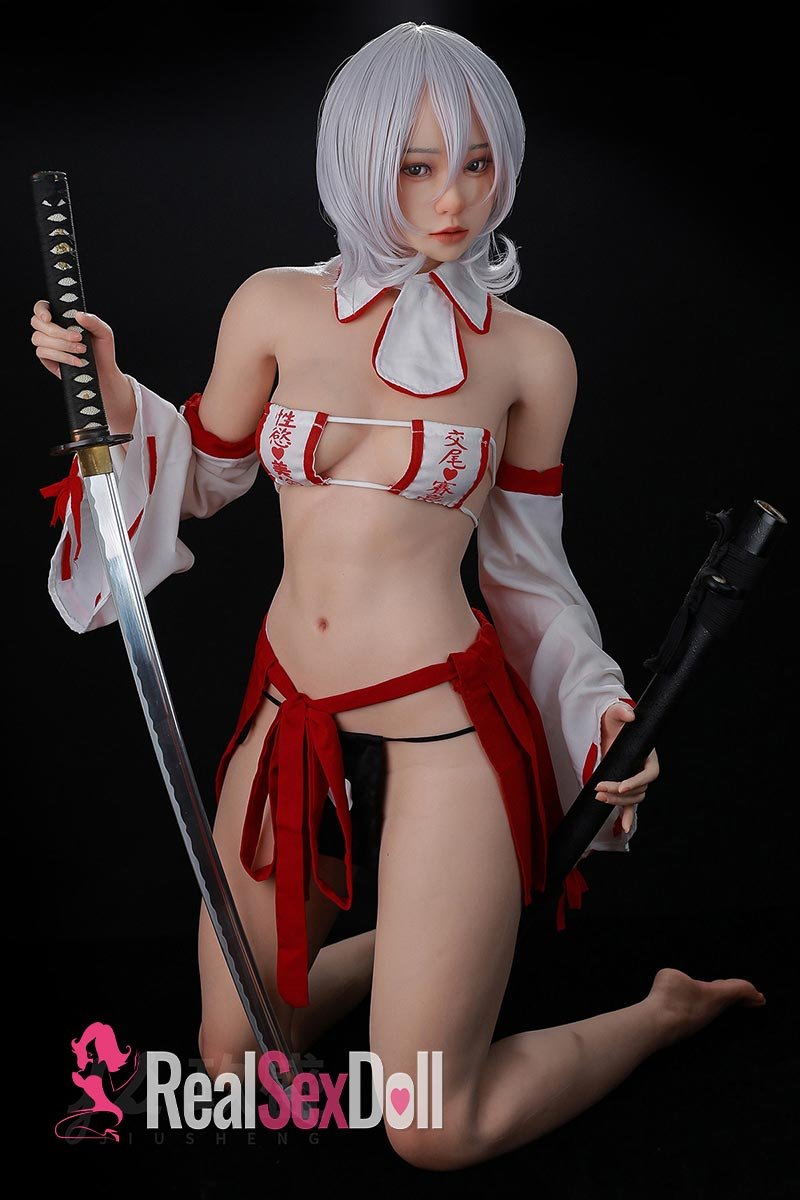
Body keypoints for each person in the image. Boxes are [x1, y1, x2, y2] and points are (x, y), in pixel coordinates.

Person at [34, 21, 764, 1172]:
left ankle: (657, 1010)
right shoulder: (271, 307)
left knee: (430, 1128)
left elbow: (526, 574)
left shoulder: (531, 357)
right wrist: (117, 393)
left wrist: (596, 710)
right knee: (233, 1066)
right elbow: (210, 477)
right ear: (357, 163)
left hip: (445, 721)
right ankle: (443, 943)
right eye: (415, 166)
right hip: (290, 714)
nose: (452, 198)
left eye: (476, 161)